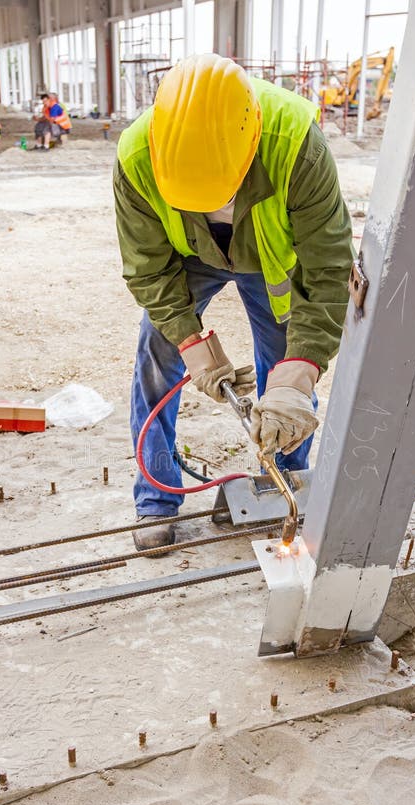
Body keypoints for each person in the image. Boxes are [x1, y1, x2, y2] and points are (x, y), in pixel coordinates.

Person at [114, 54, 354, 552]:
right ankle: (156, 498)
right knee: (157, 357)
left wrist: (300, 370)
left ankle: (284, 482)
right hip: (190, 254)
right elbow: (148, 269)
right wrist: (192, 345)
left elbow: (327, 270)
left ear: (248, 145)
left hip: (268, 255)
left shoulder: (294, 142)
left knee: (283, 365)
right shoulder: (138, 154)